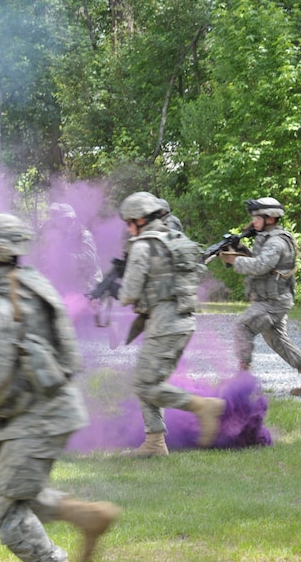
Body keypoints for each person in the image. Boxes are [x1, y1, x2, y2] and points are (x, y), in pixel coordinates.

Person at [0, 211, 120, 562]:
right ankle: (86, 516)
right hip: (28, 410)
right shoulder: (18, 285)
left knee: (5, 505)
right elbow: (12, 346)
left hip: (39, 415)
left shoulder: (2, 303)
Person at [117, 191, 226, 456]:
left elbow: (128, 293)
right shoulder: (178, 240)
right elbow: (197, 271)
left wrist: (118, 292)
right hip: (183, 321)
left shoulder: (143, 246)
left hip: (164, 323)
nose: (129, 228)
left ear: (139, 220)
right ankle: (155, 443)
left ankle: (203, 406)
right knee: (147, 379)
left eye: (130, 222)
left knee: (145, 385)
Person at [219, 197, 301, 396]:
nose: (253, 221)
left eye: (256, 217)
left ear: (270, 218)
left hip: (273, 301)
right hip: (272, 299)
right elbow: (262, 262)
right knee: (277, 340)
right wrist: (241, 252)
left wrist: (235, 261)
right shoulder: (267, 237)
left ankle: (243, 380)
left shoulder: (276, 241)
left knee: (243, 327)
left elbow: (261, 266)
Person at [38, 202, 103, 295]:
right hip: (74, 285)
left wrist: (68, 258)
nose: (57, 224)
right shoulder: (64, 236)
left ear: (69, 219)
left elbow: (90, 259)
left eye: (59, 220)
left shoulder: (84, 235)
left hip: (90, 284)